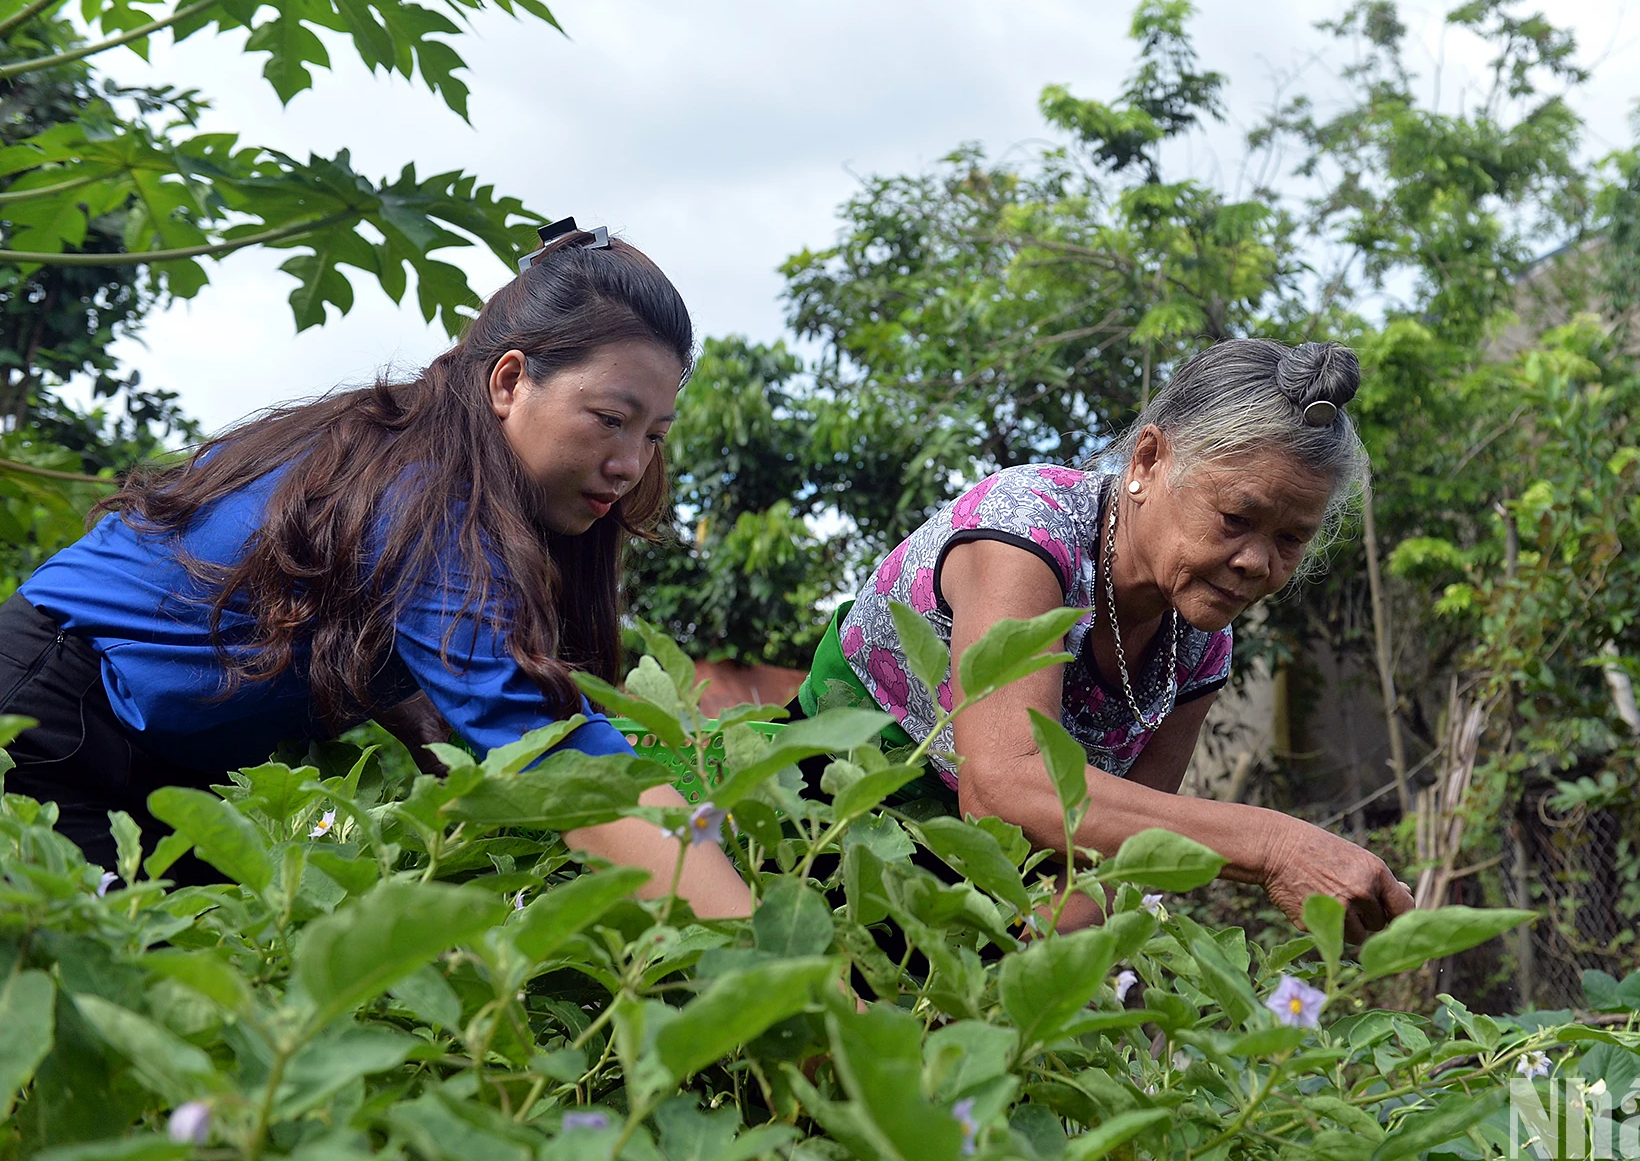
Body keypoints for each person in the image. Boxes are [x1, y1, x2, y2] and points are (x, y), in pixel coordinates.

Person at [0, 221, 751, 917]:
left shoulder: (418, 460)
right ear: (509, 381)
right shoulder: (430, 500)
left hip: (153, 763)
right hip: (45, 720)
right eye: (610, 419)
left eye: (653, 434)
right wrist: (787, 982)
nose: (629, 464)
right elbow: (558, 756)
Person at [793, 337, 1413, 940]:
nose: (1256, 561)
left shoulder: (1197, 645)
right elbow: (1003, 788)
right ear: (1147, 462)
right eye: (1236, 519)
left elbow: (1117, 862)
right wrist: (1273, 844)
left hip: (973, 906)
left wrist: (1031, 979)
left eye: (1290, 539)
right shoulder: (1026, 533)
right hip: (819, 836)